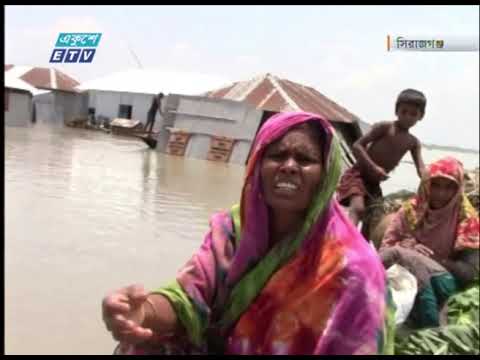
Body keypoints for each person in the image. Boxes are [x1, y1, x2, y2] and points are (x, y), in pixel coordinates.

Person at [102, 111, 392, 355]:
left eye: (305, 160)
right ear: (256, 166)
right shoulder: (234, 228)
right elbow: (190, 297)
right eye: (277, 155)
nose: (289, 167)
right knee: (139, 344)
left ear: (325, 175)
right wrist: (143, 312)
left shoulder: (355, 268)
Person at [379, 157, 479, 328]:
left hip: (444, 282)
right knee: (405, 258)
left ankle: (431, 325)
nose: (441, 193)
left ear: (458, 189)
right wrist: (406, 246)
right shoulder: (410, 210)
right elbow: (385, 249)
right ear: (426, 184)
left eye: (449, 188)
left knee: (409, 259)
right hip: (405, 278)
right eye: (435, 185)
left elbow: (469, 273)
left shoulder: (467, 218)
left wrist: (428, 260)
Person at [337, 89, 428, 238]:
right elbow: (357, 146)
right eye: (404, 112)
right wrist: (373, 167)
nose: (407, 117)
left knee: (374, 220)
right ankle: (344, 243)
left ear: (421, 116)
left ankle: (363, 252)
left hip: (374, 185)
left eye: (413, 114)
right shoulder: (385, 127)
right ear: (396, 110)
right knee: (358, 209)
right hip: (358, 175)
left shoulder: (413, 142)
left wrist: (430, 180)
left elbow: (421, 168)